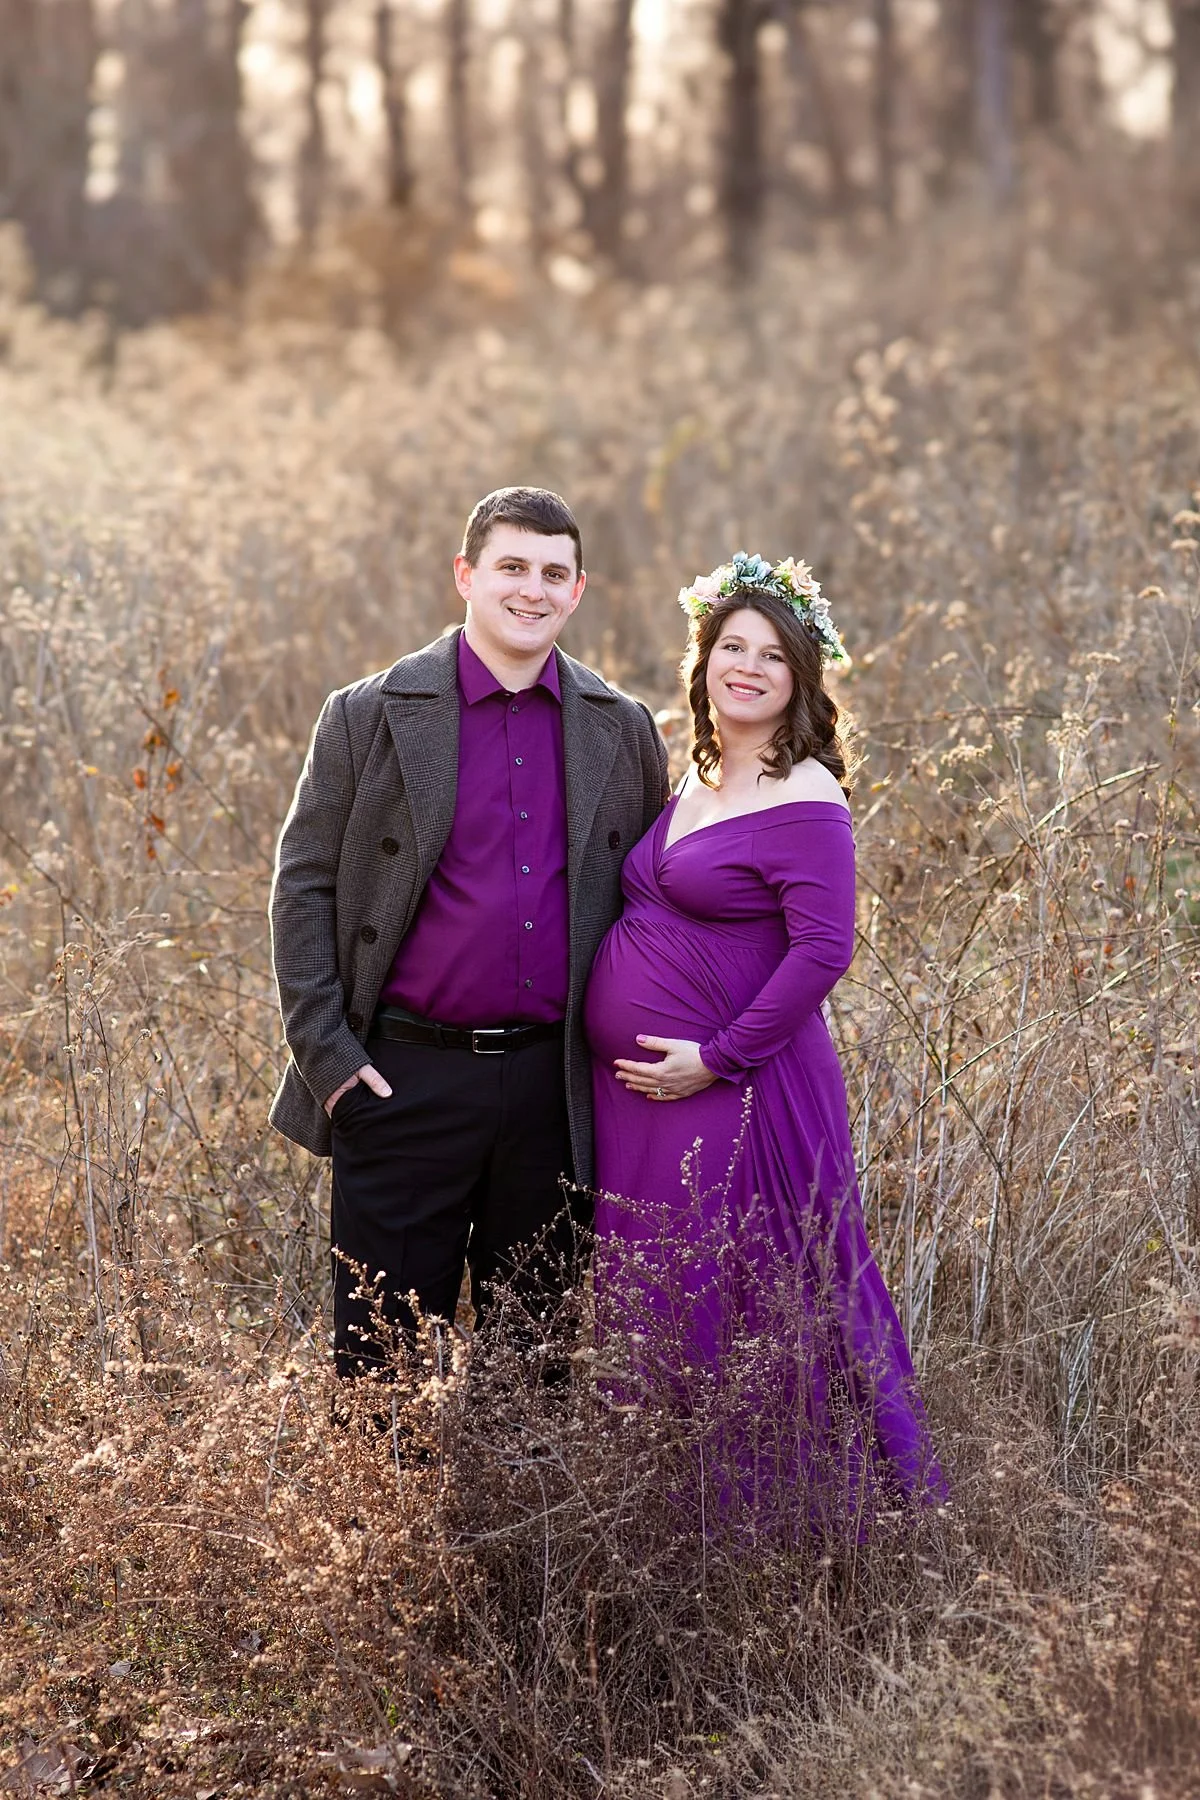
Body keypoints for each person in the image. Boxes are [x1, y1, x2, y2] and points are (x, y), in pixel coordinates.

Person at [269, 487, 669, 1384]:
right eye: (512, 567)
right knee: (379, 1370)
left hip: (555, 1088)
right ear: (467, 575)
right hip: (403, 1079)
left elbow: (653, 902)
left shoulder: (624, 729)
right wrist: (330, 1062)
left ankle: (520, 1525)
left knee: (533, 1368)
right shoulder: (367, 714)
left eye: (553, 573)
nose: (532, 590)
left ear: (578, 590)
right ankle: (380, 1523)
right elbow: (302, 888)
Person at [583, 551, 946, 1532]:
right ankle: (666, 1518)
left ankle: (789, 1530)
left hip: (739, 1085)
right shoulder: (698, 775)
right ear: (703, 661)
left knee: (755, 1290)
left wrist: (720, 1055)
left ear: (801, 680)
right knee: (665, 1291)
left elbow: (825, 951)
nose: (745, 668)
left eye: (770, 657)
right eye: (729, 647)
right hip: (647, 1095)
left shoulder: (809, 795)